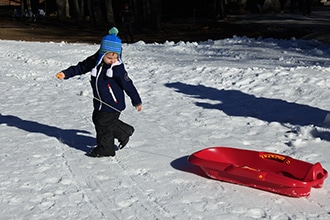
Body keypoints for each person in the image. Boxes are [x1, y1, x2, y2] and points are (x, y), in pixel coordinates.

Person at [55, 27, 142, 158]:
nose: (113, 60)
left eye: (116, 57)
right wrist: (66, 73)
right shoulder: (95, 61)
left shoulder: (117, 68)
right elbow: (81, 67)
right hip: (100, 101)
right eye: (109, 57)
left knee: (103, 124)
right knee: (99, 119)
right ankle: (124, 132)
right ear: (102, 53)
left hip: (113, 103)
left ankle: (106, 149)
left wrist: (137, 101)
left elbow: (128, 85)